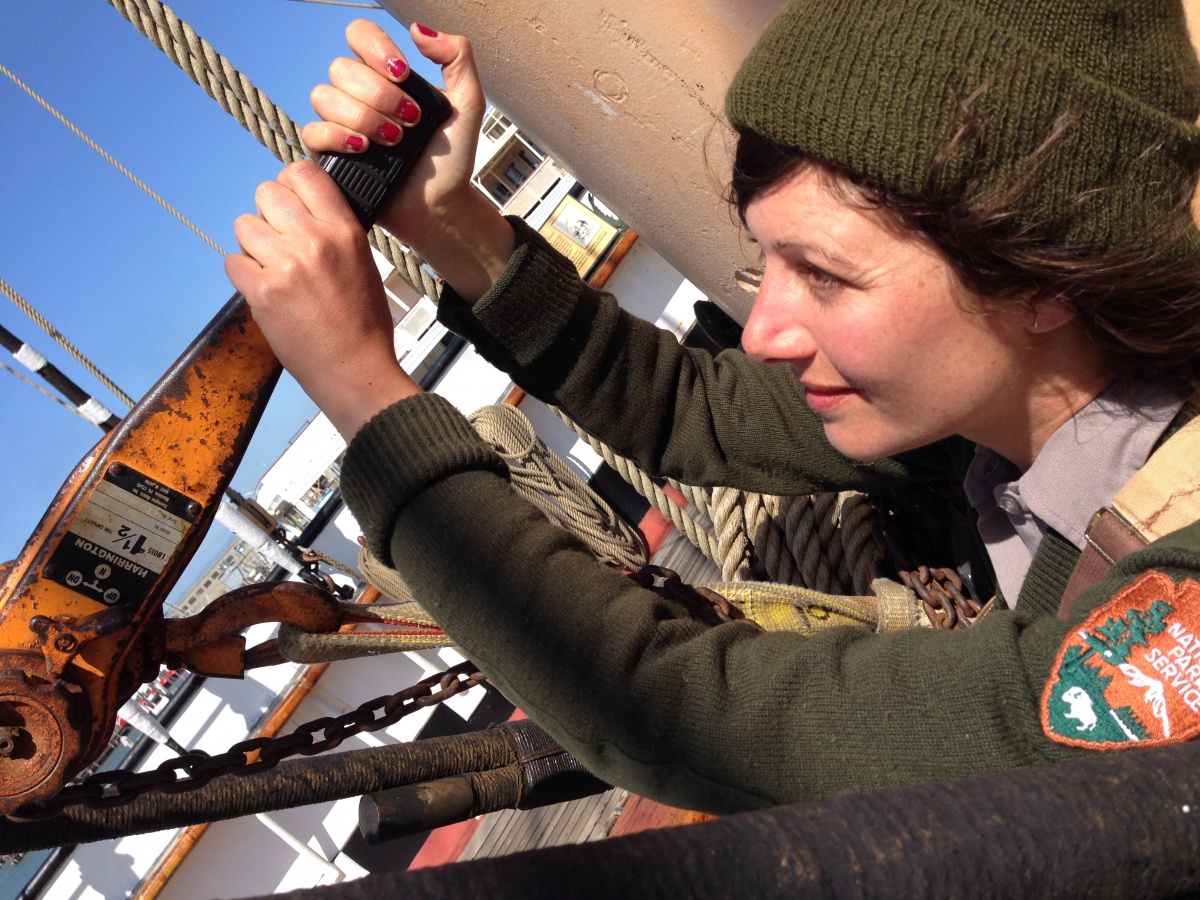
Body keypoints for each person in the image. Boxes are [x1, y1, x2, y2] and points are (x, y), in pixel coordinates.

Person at [226, 1, 1200, 813]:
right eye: (766, 260)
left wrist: (364, 393)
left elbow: (685, 711)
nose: (766, 328)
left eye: (823, 275)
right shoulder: (1008, 422)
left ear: (1041, 272)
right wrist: (446, 222)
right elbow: (692, 409)